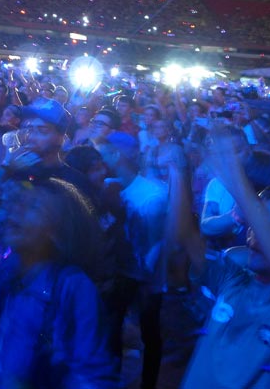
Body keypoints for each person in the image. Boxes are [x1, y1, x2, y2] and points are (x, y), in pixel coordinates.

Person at [166, 127, 270, 388]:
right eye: (256, 226)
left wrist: (234, 173)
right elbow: (185, 238)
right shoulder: (233, 279)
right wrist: (177, 171)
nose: (257, 236)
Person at [0, 177, 118, 389]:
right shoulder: (3, 274)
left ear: (56, 231)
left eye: (33, 206)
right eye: (17, 201)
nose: (17, 210)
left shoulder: (74, 287)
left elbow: (92, 376)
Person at [96, 131, 167, 387]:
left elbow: (157, 244)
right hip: (118, 274)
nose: (99, 160)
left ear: (116, 154)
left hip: (146, 278)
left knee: (150, 333)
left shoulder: (151, 194)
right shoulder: (103, 188)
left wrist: (147, 279)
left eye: (103, 154)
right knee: (111, 331)